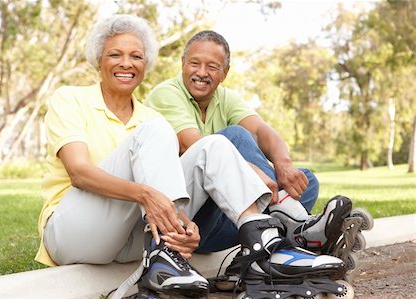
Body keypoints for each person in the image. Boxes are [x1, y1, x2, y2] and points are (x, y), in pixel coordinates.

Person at [36, 15, 345, 299]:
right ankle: (286, 227)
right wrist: (147, 194)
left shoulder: (149, 116)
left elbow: (165, 183)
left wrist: (184, 225)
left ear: (146, 64)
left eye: (136, 56)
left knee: (215, 146)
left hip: (132, 239)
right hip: (73, 233)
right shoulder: (71, 98)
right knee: (161, 132)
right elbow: (79, 172)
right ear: (98, 60)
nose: (126, 64)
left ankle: (262, 246)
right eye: (115, 55)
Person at [145, 30, 352, 254]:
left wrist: (284, 166)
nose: (201, 73)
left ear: (224, 72)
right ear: (183, 63)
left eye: (212, 67)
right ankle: (297, 226)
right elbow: (194, 144)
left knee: (304, 181)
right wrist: (251, 172)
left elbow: (262, 131)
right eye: (195, 63)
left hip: (232, 217)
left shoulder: (224, 98)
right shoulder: (166, 93)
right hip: (191, 220)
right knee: (234, 136)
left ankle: (276, 237)